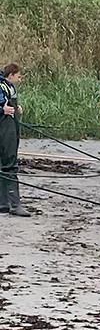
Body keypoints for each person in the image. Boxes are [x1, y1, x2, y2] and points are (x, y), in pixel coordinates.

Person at [0, 64, 31, 217]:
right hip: (4, 129)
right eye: (18, 76)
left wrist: (15, 107)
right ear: (11, 75)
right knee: (9, 164)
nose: (19, 79)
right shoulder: (2, 86)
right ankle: (14, 204)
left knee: (5, 164)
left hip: (11, 126)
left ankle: (4, 202)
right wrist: (2, 110)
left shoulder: (7, 87)